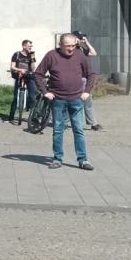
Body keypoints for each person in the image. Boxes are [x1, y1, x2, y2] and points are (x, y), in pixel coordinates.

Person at [34, 33, 96, 170]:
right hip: (58, 99)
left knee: (78, 130)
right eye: (68, 46)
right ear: (60, 45)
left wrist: (87, 92)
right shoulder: (51, 55)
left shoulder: (79, 55)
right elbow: (38, 74)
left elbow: (90, 74)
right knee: (58, 130)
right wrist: (45, 92)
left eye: (73, 46)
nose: (71, 49)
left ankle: (83, 160)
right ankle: (57, 159)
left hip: (77, 99)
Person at [74, 32, 103, 131]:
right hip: (72, 78)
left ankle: (93, 123)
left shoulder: (81, 49)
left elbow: (93, 53)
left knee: (87, 100)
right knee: (68, 100)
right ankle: (63, 122)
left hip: (83, 78)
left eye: (82, 38)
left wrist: (86, 42)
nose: (81, 40)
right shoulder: (69, 49)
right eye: (80, 38)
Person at [9, 40, 39, 124]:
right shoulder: (17, 54)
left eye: (31, 46)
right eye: (29, 46)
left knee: (32, 97)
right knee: (15, 97)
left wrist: (32, 59)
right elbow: (12, 67)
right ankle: (11, 116)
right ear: (24, 46)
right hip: (19, 75)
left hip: (29, 76)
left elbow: (33, 69)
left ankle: (34, 117)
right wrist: (20, 70)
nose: (31, 48)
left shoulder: (31, 55)